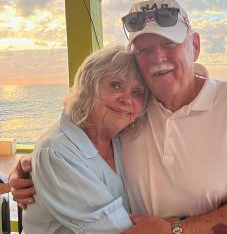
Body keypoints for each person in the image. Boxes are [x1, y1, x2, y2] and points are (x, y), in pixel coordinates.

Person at [10, 0, 227, 234]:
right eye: (144, 50)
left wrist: (175, 229)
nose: (157, 58)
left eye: (169, 45)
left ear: (195, 46)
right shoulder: (133, 109)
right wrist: (31, 166)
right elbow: (76, 137)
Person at [20, 45, 152, 233]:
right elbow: (115, 230)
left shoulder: (119, 139)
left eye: (137, 92)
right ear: (88, 87)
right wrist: (177, 225)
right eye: (115, 85)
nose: (126, 99)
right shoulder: (57, 152)